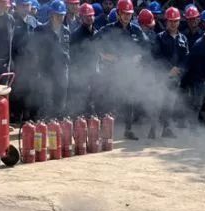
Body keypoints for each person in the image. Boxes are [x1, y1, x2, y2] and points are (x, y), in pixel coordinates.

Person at [95, 0, 147, 139]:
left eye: (129, 14)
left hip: (129, 72)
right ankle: (104, 130)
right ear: (118, 13)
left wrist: (140, 56)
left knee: (129, 101)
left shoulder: (136, 30)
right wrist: (104, 55)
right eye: (124, 13)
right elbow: (94, 42)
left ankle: (128, 130)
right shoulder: (109, 29)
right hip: (112, 71)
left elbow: (147, 46)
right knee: (108, 100)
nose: (126, 16)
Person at [151, 6, 187, 138]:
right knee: (157, 103)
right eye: (170, 21)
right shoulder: (160, 37)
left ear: (179, 22)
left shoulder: (183, 38)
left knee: (169, 104)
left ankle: (166, 129)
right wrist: (168, 69)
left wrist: (179, 69)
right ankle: (152, 129)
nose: (173, 23)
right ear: (166, 21)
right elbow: (156, 56)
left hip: (175, 77)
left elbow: (186, 58)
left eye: (175, 21)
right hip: (161, 76)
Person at [31, 0, 70, 118]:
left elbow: (67, 50)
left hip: (62, 72)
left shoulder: (66, 31)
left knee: (60, 103)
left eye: (62, 15)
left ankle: (58, 124)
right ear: (51, 15)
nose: (60, 18)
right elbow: (34, 51)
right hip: (46, 71)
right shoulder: (40, 30)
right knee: (46, 102)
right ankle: (44, 124)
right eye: (57, 15)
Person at [69, 2, 98, 115]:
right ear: (81, 18)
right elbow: (72, 56)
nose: (89, 18)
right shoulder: (75, 35)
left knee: (93, 100)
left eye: (91, 16)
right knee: (81, 102)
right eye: (86, 16)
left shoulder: (96, 33)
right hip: (81, 73)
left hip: (94, 72)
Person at [10, 0, 37, 121]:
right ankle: (16, 117)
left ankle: (27, 117)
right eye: (23, 5)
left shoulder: (33, 21)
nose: (26, 8)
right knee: (17, 91)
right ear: (17, 6)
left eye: (28, 5)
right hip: (17, 62)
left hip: (31, 63)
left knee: (29, 89)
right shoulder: (12, 20)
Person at [0, 0, 15, 81]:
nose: (3, 5)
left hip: (5, 65)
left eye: (4, 3)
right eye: (0, 2)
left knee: (3, 88)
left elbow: (11, 41)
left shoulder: (10, 20)